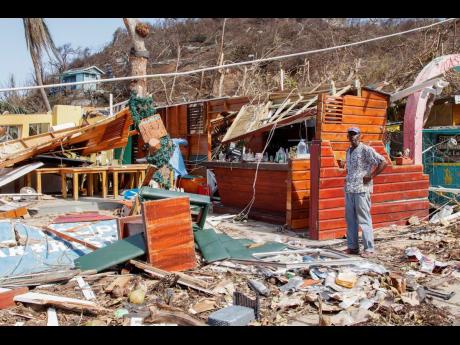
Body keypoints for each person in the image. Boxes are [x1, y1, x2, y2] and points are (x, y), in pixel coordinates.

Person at [343, 127, 387, 258]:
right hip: (350, 189)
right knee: (350, 220)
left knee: (364, 219)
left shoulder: (366, 150)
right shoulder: (348, 151)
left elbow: (383, 162)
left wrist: (371, 176)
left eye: (355, 134)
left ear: (359, 136)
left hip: (362, 189)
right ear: (348, 137)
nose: (352, 137)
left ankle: (369, 248)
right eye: (350, 134)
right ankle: (352, 247)